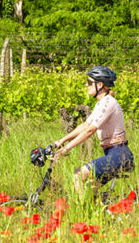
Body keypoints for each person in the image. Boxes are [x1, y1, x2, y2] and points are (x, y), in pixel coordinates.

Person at [53, 66, 134, 196]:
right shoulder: (100, 103)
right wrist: (61, 141)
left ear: (100, 85)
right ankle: (98, 208)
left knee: (78, 175)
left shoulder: (109, 103)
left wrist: (66, 149)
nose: (86, 85)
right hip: (112, 154)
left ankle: (82, 209)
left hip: (119, 155)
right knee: (89, 192)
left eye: (89, 82)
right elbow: (85, 125)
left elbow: (90, 130)